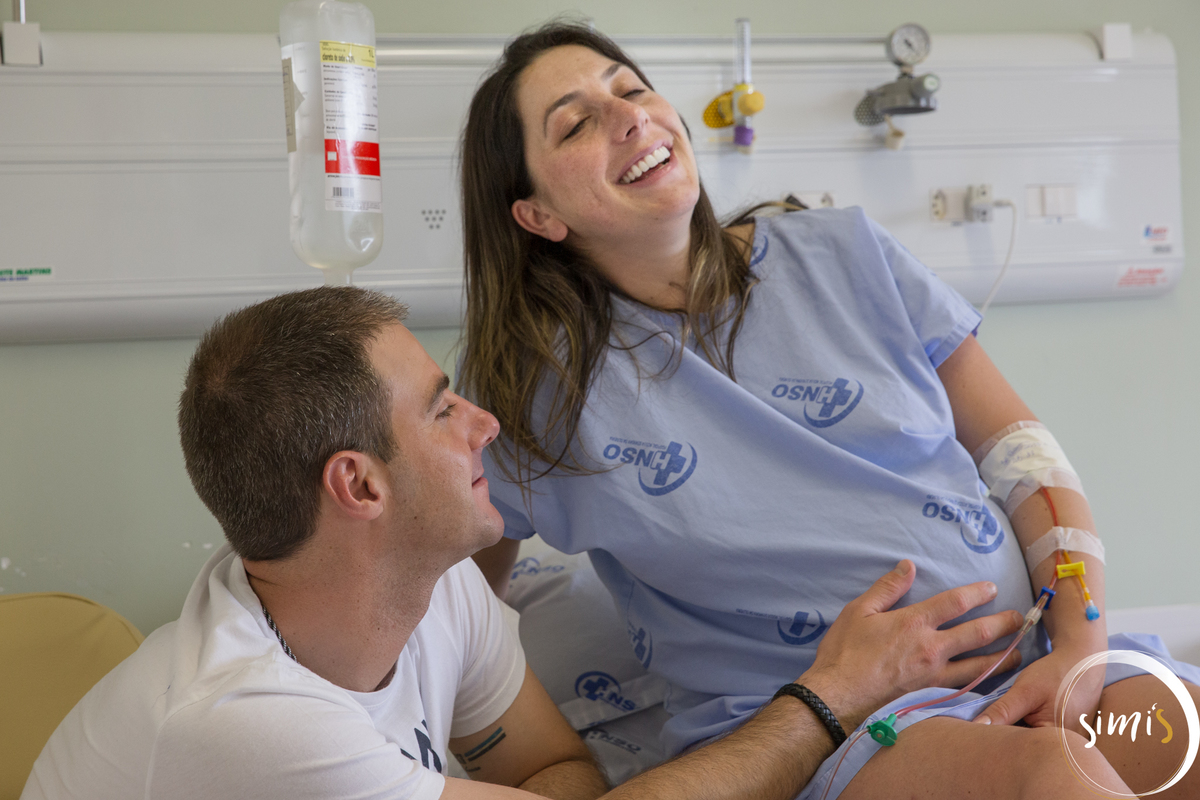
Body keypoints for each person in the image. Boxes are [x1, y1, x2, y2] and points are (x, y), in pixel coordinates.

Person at [457, 23, 1200, 800]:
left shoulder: (847, 253)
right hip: (838, 731)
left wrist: (1079, 644)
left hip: (1037, 655)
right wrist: (531, 764)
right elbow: (454, 614)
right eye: (575, 123)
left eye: (631, 88)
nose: (629, 116)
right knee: (1051, 776)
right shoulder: (536, 395)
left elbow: (1022, 454)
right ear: (536, 215)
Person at [22, 286, 1031, 800]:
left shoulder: (437, 593)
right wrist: (829, 696)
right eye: (441, 408)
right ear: (358, 484)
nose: (486, 424)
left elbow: (562, 773)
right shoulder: (242, 721)